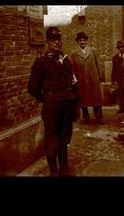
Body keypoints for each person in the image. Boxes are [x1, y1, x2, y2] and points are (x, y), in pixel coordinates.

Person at [28, 26, 80, 177]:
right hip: (52, 106)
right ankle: (53, 171)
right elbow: (32, 87)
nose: (57, 42)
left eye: (59, 39)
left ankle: (64, 168)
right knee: (52, 139)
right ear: (47, 42)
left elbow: (74, 82)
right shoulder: (41, 62)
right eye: (53, 40)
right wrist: (45, 99)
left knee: (65, 138)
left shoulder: (66, 60)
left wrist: (76, 105)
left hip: (67, 105)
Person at [70, 32, 105, 125]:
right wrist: (74, 80)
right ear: (78, 42)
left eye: (84, 40)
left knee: (96, 99)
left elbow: (98, 64)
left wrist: (100, 77)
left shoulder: (93, 51)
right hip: (82, 80)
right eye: (80, 40)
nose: (82, 42)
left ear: (86, 41)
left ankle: (99, 117)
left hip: (93, 79)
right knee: (83, 100)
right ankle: (85, 117)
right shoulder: (74, 54)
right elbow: (72, 68)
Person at [111, 40, 124, 113]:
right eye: (120, 47)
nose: (122, 49)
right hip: (119, 79)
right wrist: (113, 80)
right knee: (120, 93)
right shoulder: (115, 58)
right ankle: (121, 108)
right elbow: (114, 69)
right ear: (118, 48)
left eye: (123, 47)